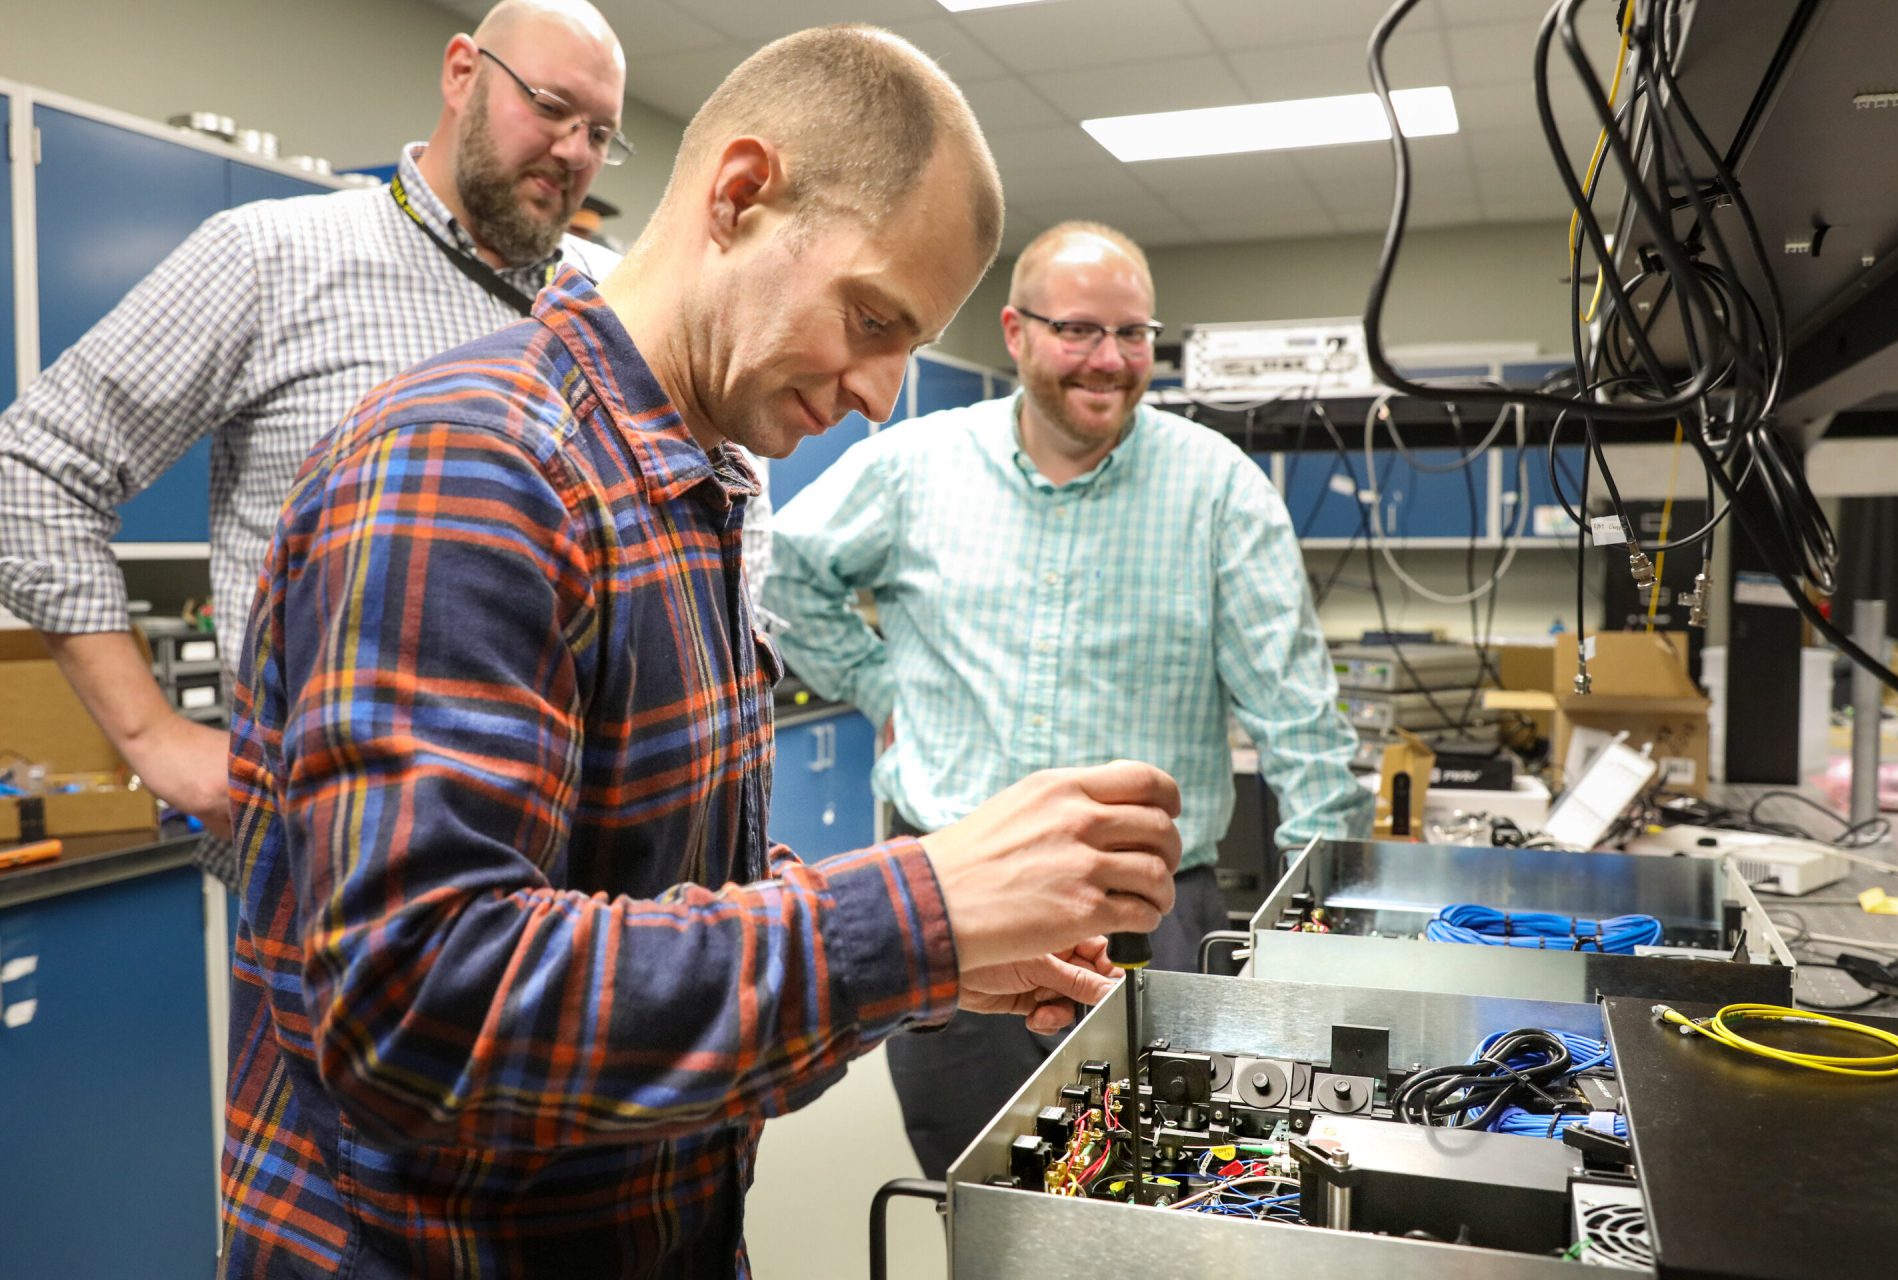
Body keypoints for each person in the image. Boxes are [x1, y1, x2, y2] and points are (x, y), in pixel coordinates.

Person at [221, 27, 1183, 1279]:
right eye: (873, 317)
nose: (886, 392)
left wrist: (937, 955)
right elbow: (423, 1012)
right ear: (739, 196)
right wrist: (915, 908)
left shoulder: (687, 482)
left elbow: (644, 882)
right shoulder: (476, 462)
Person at [764, 220, 1373, 1177]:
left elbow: (1298, 716)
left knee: (1166, 1185)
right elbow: (783, 576)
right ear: (1015, 332)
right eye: (1080, 330)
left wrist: (1325, 929)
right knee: (973, 1186)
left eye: (1135, 336)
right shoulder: (914, 466)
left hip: (1148, 913)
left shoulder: (1216, 487)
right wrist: (881, 682)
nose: (1111, 360)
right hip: (950, 901)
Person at [0, 0, 627, 883]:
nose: (574, 151)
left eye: (600, 133)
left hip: (577, 877)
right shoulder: (271, 259)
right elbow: (32, 472)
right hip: (327, 875)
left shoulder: (618, 305)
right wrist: (156, 738)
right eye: (551, 106)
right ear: (461, 72)